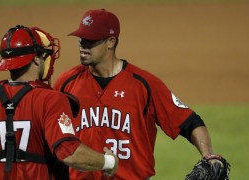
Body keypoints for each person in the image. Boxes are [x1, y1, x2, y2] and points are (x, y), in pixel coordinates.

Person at [54, 9, 227, 179]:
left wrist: (208, 154)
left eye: (91, 40)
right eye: (81, 39)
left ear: (111, 42)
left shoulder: (144, 84)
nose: (83, 46)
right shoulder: (66, 83)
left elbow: (190, 122)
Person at [0, 25, 119, 180]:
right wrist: (108, 162)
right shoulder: (52, 100)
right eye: (45, 55)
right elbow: (70, 153)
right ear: (36, 60)